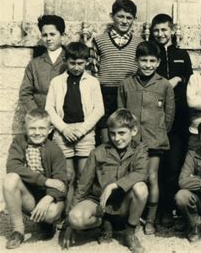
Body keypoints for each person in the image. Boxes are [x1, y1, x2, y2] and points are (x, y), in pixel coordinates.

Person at [63, 109, 148, 252]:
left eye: (122, 133)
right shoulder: (98, 152)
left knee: (141, 188)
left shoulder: (140, 149)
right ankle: (104, 224)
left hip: (123, 205)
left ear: (133, 131)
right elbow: (83, 185)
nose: (117, 138)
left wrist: (114, 186)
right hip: (99, 204)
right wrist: (70, 224)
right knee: (75, 218)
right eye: (112, 133)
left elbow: (141, 173)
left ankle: (130, 233)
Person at [118, 40, 175, 234]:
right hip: (131, 141)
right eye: (144, 60)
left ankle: (150, 219)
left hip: (154, 139)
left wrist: (157, 132)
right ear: (136, 60)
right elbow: (121, 113)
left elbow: (169, 115)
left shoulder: (164, 85)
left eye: (152, 60)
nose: (148, 65)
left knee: (151, 177)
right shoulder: (126, 83)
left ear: (158, 62)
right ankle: (130, 216)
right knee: (130, 177)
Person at [45, 42, 104, 212]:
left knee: (84, 176)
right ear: (66, 61)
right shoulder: (57, 82)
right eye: (72, 63)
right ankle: (65, 214)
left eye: (80, 63)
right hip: (64, 132)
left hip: (84, 133)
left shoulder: (92, 82)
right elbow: (49, 108)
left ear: (86, 62)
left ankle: (79, 212)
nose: (77, 67)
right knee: (67, 176)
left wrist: (82, 130)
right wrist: (64, 129)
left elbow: (99, 109)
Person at [149, 13, 193, 227]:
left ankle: (168, 209)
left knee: (173, 166)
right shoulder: (149, 53)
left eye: (164, 29)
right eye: (156, 30)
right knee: (154, 167)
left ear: (172, 30)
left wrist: (179, 79)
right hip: (154, 119)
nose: (160, 34)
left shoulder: (181, 54)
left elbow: (190, 78)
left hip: (178, 120)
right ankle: (154, 211)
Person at [3, 109, 67, 249]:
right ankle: (18, 230)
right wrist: (44, 180)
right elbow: (12, 166)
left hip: (49, 197)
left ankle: (47, 224)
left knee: (50, 213)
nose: (37, 132)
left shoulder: (55, 149)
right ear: (25, 128)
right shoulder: (19, 142)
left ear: (50, 129)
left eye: (41, 128)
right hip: (29, 196)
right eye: (32, 128)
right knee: (10, 179)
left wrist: (48, 198)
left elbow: (62, 183)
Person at [88, 0, 144, 143]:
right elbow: (93, 70)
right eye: (120, 16)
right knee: (106, 135)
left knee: (128, 131)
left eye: (129, 18)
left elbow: (142, 70)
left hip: (129, 93)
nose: (124, 21)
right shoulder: (99, 41)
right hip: (105, 93)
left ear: (134, 19)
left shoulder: (140, 43)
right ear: (111, 16)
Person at [19, 15, 67, 111]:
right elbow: (25, 93)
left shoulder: (71, 61)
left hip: (66, 120)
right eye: (45, 35)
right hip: (40, 120)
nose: (48, 38)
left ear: (62, 35)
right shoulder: (34, 64)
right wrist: (37, 114)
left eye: (52, 34)